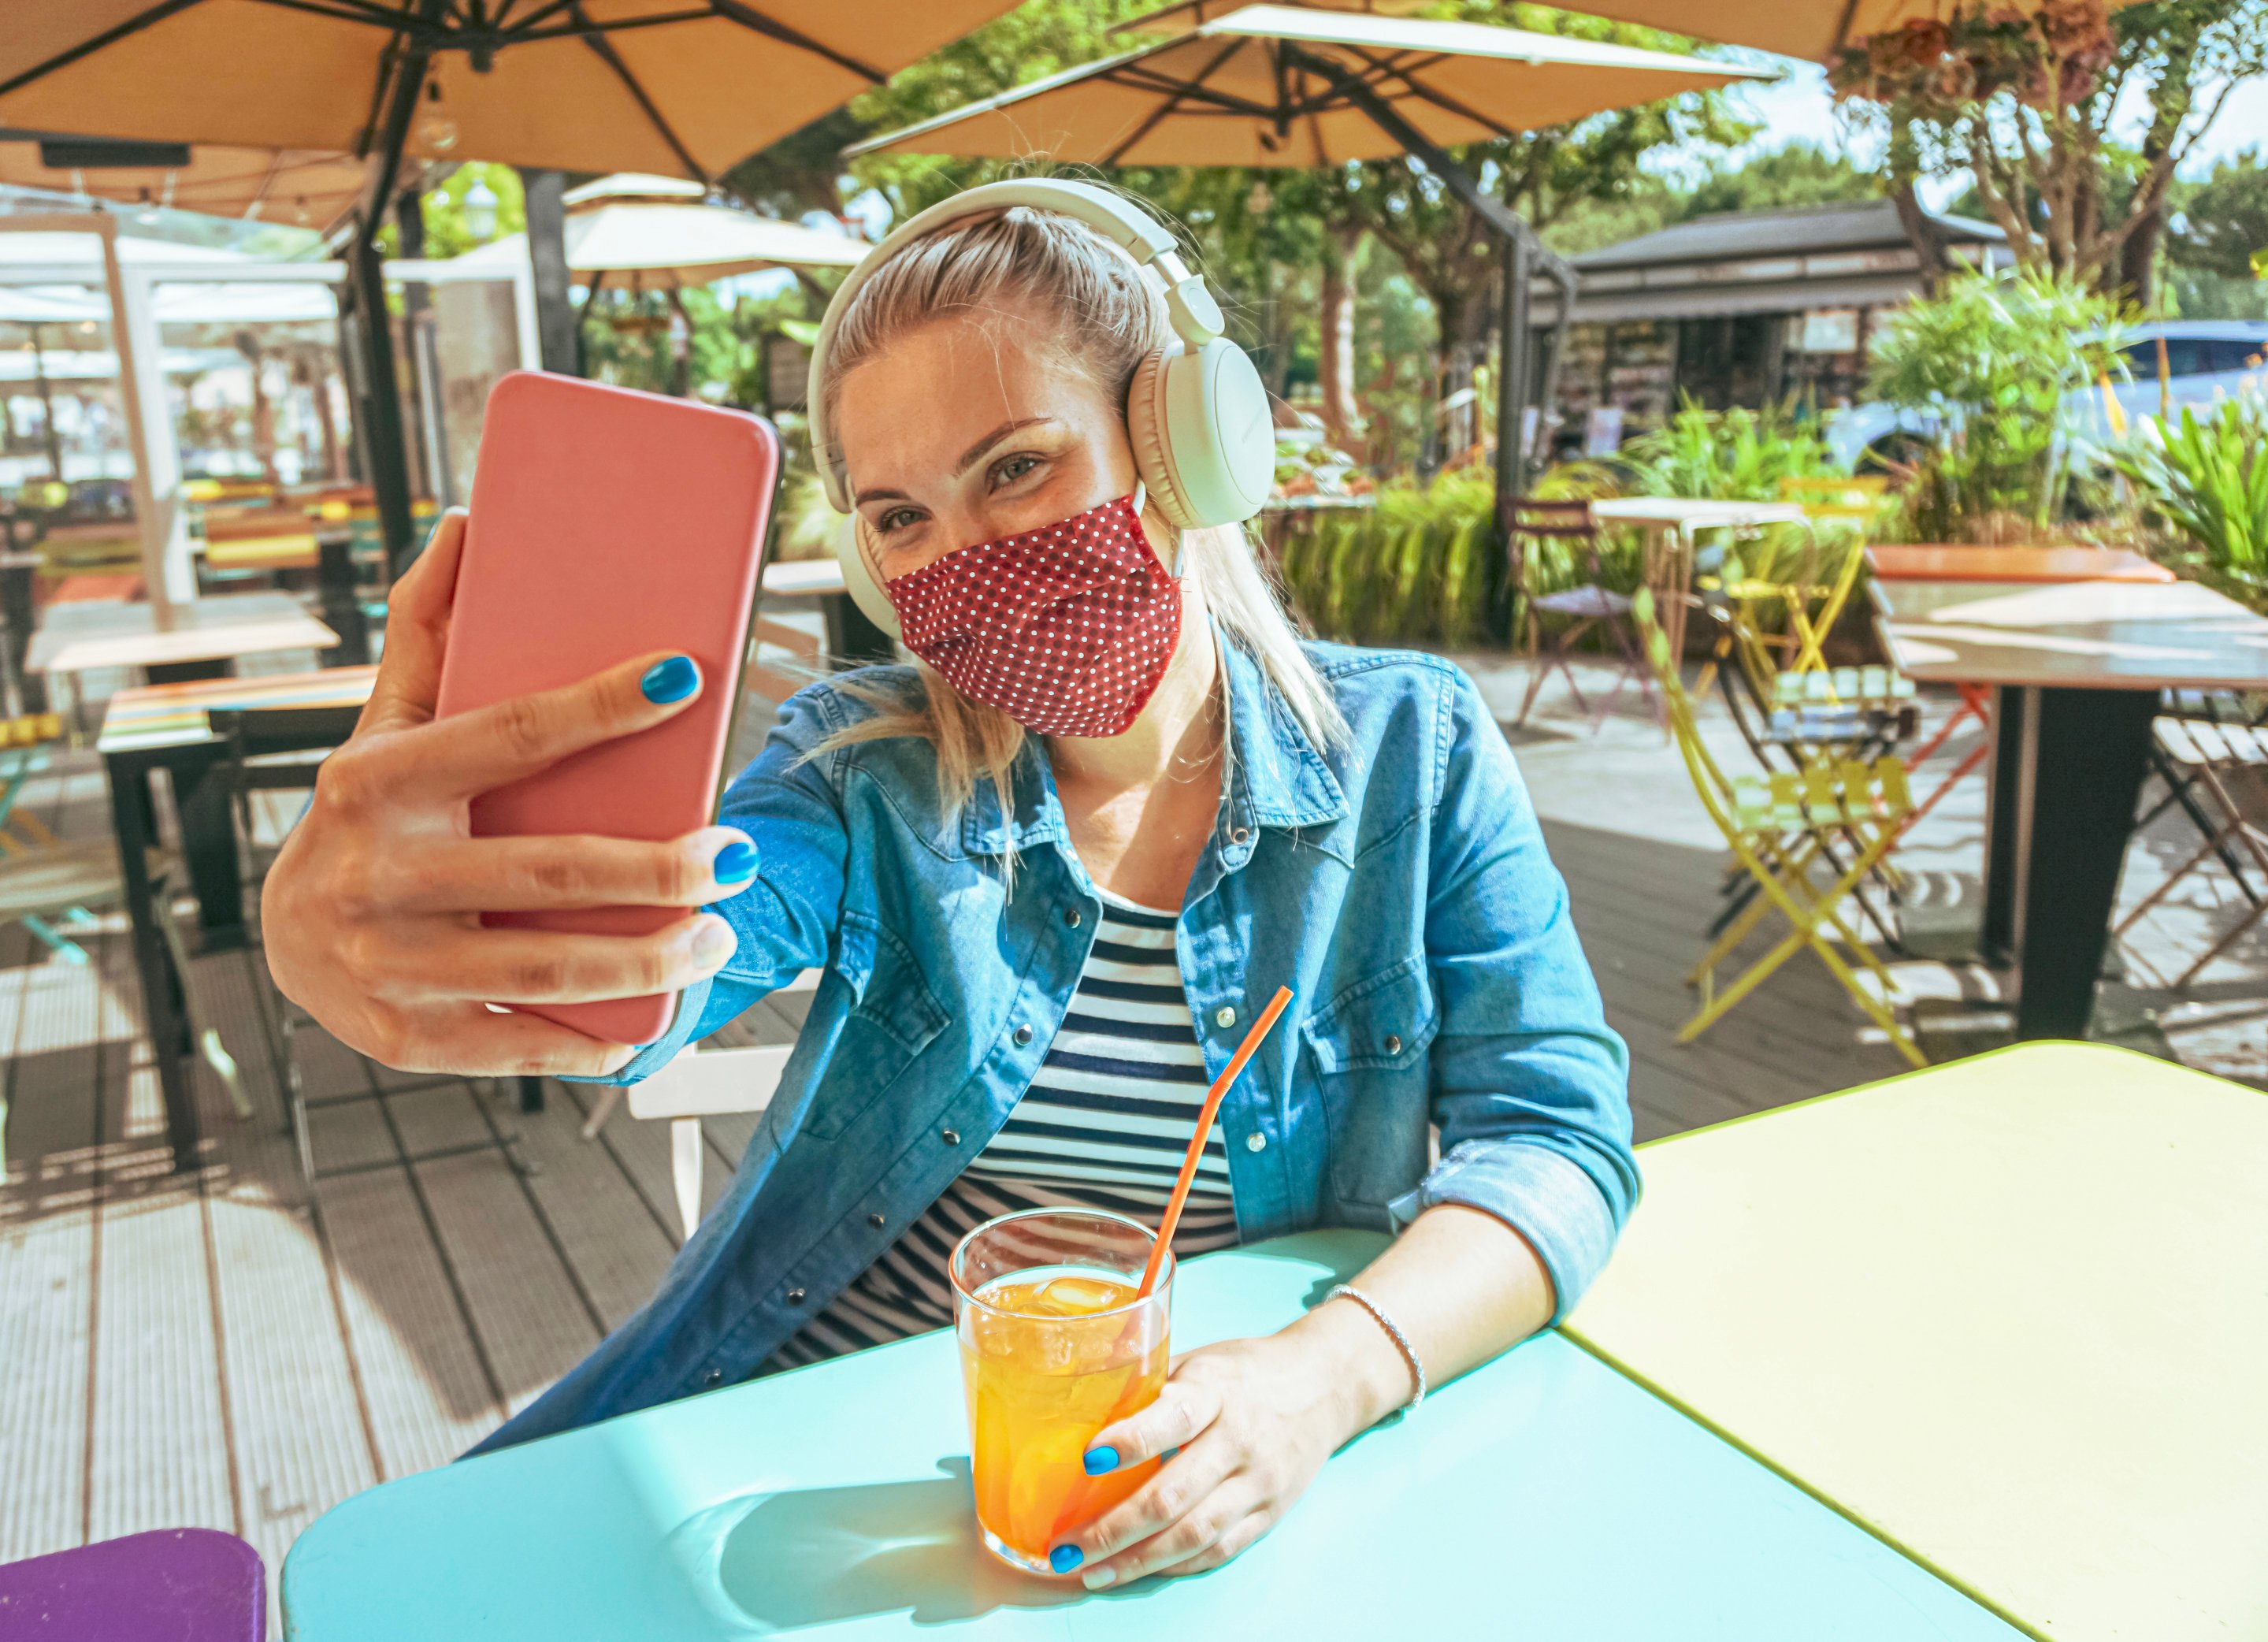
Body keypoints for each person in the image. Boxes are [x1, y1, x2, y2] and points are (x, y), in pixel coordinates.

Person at [263, 180, 1635, 1589]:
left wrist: (1321, 1381)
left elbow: (1561, 1145)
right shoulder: (860, 770)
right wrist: (436, 929)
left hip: (1175, 1475)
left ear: (1186, 447)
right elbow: (673, 965)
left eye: (1019, 469)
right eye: (903, 518)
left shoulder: (1414, 749)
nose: (971, 558)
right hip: (792, 1457)